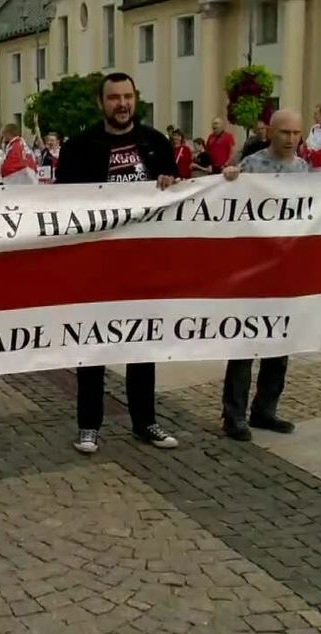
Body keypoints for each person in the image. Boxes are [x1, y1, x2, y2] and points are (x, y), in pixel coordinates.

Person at [54, 71, 181, 453]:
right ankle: (88, 425)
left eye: (127, 96)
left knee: (141, 345)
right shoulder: (79, 148)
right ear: (101, 103)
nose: (122, 104)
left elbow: (181, 196)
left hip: (143, 264)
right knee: (92, 345)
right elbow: (62, 204)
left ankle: (145, 421)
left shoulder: (156, 143)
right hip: (95, 264)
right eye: (114, 98)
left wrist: (172, 185)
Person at [219, 109, 321, 441]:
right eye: (285, 132)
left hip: (284, 271)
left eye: (296, 133)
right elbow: (227, 201)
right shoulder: (252, 165)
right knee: (244, 344)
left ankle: (265, 409)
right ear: (271, 133)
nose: (291, 139)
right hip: (252, 269)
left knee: (279, 342)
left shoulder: (303, 169)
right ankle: (233, 415)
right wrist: (228, 179)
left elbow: (315, 205)